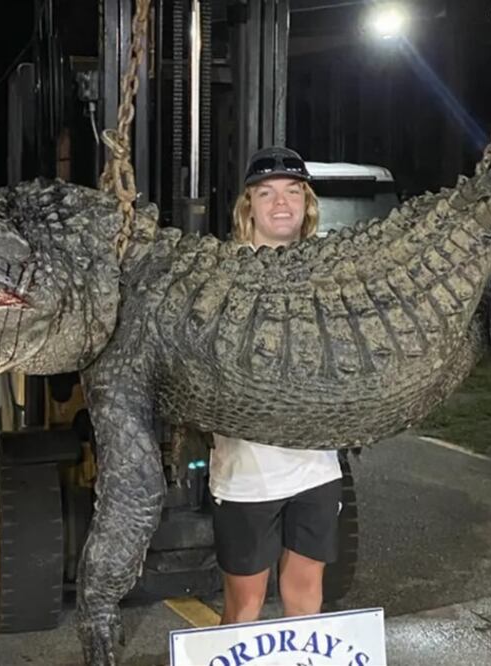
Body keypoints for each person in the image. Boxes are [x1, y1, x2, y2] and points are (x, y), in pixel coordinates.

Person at [210, 146, 343, 624]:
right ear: (249, 206)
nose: (280, 203)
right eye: (266, 193)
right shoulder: (222, 275)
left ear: (306, 203)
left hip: (316, 468)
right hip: (249, 470)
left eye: (292, 191)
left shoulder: (327, 271)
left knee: (307, 593)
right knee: (244, 603)